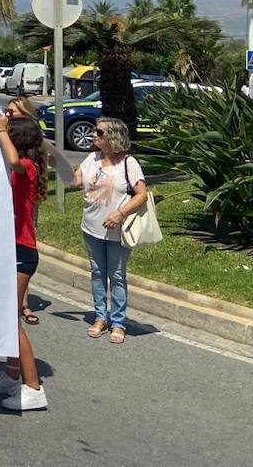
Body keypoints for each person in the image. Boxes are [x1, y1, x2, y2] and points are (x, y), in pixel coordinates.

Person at [0, 105, 50, 411]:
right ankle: (11, 373)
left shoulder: (27, 166)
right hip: (11, 248)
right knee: (3, 316)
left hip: (22, 252)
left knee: (10, 319)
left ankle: (33, 388)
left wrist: (1, 129)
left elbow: (12, 159)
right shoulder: (20, 166)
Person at [74, 116, 148, 343]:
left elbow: (142, 195)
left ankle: (118, 322)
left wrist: (119, 213)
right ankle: (100, 317)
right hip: (91, 227)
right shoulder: (91, 159)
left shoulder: (128, 163)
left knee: (116, 276)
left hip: (117, 232)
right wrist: (51, 157)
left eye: (99, 132)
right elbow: (74, 181)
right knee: (97, 273)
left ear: (113, 137)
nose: (95, 135)